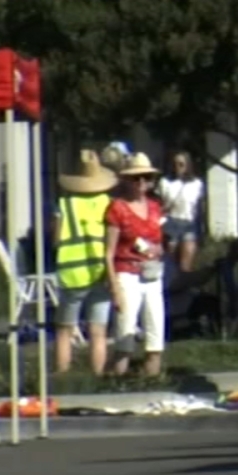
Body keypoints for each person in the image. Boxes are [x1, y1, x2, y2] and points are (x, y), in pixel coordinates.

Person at [51, 151, 117, 374]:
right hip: (100, 270)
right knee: (98, 331)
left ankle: (62, 376)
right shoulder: (109, 204)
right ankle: (96, 377)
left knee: (64, 330)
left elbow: (56, 239)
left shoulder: (63, 204)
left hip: (71, 272)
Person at [104, 153, 167, 377]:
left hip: (152, 273)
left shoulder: (155, 207)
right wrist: (114, 287)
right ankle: (115, 382)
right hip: (127, 274)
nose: (142, 182)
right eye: (136, 178)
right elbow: (108, 253)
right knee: (125, 334)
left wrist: (159, 249)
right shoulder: (117, 208)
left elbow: (161, 240)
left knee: (155, 334)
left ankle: (151, 382)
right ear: (127, 181)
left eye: (146, 178)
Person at [158, 151, 204, 273]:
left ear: (188, 165)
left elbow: (199, 209)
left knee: (185, 265)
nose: (177, 167)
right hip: (170, 223)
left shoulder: (197, 184)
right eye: (174, 164)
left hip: (188, 223)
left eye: (181, 164)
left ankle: (185, 288)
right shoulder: (165, 182)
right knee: (171, 264)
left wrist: (201, 231)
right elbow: (159, 205)